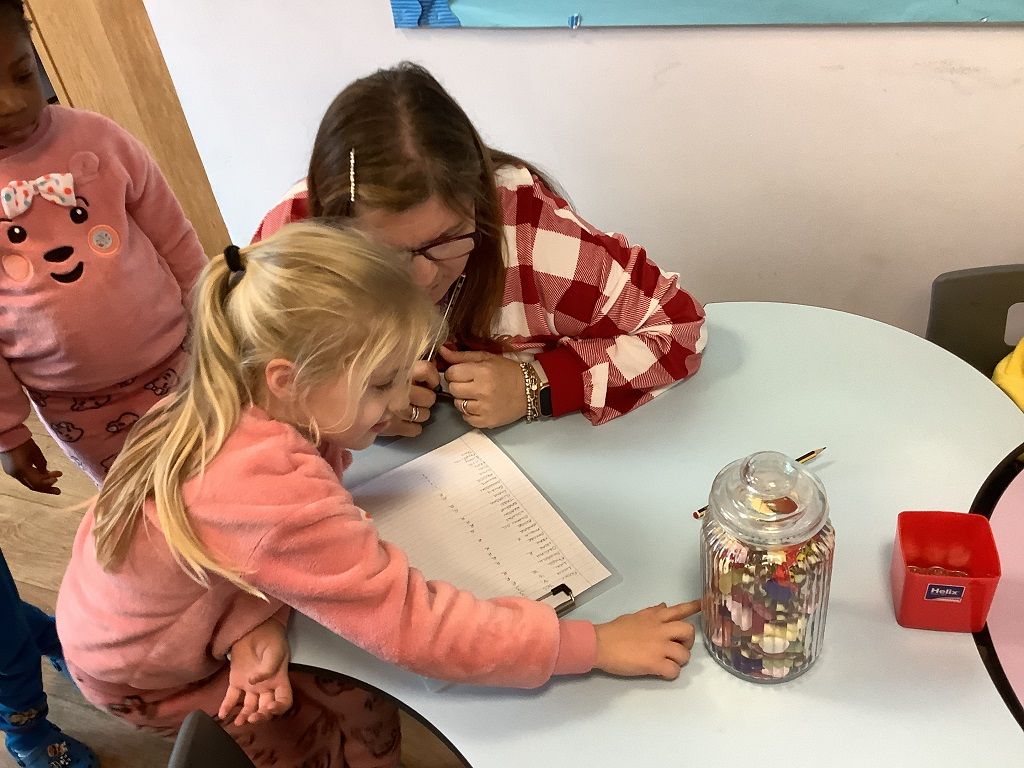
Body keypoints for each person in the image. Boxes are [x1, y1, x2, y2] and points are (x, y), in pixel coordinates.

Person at [57, 222, 701, 767]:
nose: (399, 401)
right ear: (288, 381)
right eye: (379, 385)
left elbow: (230, 554)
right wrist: (592, 645)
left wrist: (253, 621)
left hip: (171, 621)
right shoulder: (264, 492)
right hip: (158, 677)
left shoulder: (229, 392)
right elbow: (417, 630)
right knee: (319, 741)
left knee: (337, 690)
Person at [0, 3, 288, 763]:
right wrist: (8, 432)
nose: (10, 102)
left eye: (22, 74)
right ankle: (211, 628)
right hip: (79, 406)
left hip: (181, 364)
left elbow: (176, 239)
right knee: (159, 518)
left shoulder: (99, 141)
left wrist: (219, 322)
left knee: (228, 478)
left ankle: (263, 606)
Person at [254, 62, 706, 438]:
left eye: (447, 239)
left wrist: (536, 384)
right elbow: (251, 386)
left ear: (479, 202)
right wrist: (355, 408)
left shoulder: (527, 232)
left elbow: (679, 328)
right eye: (386, 255)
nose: (423, 278)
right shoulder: (292, 243)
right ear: (336, 232)